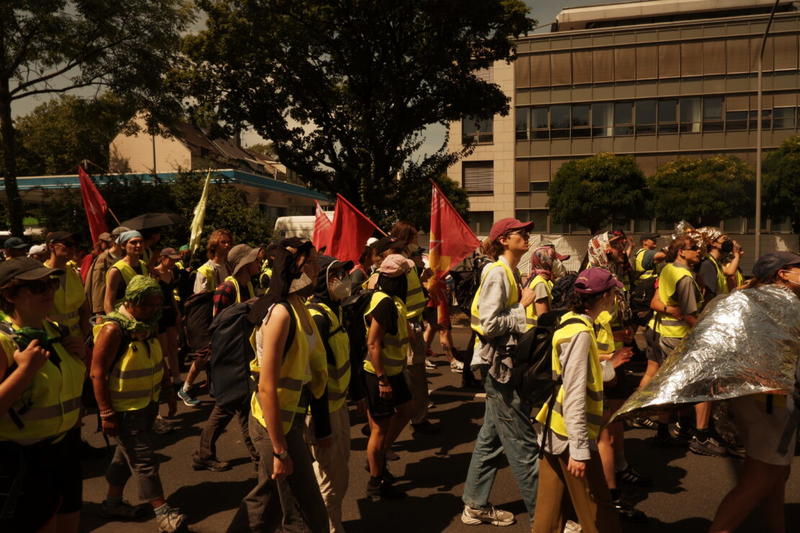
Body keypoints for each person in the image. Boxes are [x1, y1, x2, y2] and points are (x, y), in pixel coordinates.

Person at [233, 238, 328, 532]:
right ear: (295, 268)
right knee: (307, 515)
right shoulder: (280, 313)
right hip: (275, 426)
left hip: (289, 419)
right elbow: (266, 388)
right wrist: (280, 449)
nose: (317, 267)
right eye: (310, 261)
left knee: (266, 504)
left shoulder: (297, 304)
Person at [708, 252, 800, 533]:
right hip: (772, 400)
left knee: (776, 473)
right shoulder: (782, 304)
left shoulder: (752, 298)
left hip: (753, 397)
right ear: (782, 273)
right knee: (760, 477)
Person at [90, 275, 186, 532]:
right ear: (133, 301)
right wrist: (106, 412)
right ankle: (163, 513)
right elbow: (97, 373)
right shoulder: (113, 330)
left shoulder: (147, 324)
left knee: (124, 457)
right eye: (149, 305)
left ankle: (112, 502)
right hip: (124, 410)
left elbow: (160, 358)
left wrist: (167, 390)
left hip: (147, 403)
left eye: (158, 305)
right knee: (144, 460)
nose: (154, 310)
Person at [461, 218, 539, 527]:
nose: (527, 235)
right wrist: (521, 307)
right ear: (504, 240)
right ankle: (547, 518)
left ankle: (475, 506)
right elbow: (489, 324)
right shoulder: (497, 273)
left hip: (501, 365)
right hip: (499, 367)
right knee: (523, 446)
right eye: (521, 232)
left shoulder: (508, 271)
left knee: (491, 439)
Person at [533, 268, 623, 533]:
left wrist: (609, 369)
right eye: (613, 292)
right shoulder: (581, 334)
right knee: (599, 510)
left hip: (554, 429)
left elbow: (580, 374)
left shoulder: (572, 320)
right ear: (605, 296)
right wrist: (579, 450)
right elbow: (574, 392)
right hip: (569, 436)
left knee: (548, 516)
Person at [0, 258, 86, 533]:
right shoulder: (3, 341)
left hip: (65, 451)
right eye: (37, 287)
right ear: (10, 295)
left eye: (51, 283)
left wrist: (80, 358)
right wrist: (23, 372)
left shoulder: (56, 332)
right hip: (22, 463)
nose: (49, 291)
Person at [652, 235, 730, 456]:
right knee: (703, 386)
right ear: (681, 252)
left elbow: (658, 300)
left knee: (673, 385)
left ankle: (665, 432)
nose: (699, 251)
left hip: (666, 335)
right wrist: (711, 334)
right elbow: (689, 315)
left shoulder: (668, 269)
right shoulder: (685, 278)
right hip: (682, 337)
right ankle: (701, 437)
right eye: (694, 248)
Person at [192, 244, 262, 472]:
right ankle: (206, 455)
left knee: (243, 409)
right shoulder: (227, 288)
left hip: (242, 357)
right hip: (230, 360)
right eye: (255, 260)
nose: (259, 263)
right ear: (244, 263)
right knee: (226, 408)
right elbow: (217, 326)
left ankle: (258, 458)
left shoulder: (247, 284)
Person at [306, 255, 358, 532]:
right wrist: (323, 427)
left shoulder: (333, 310)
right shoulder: (317, 317)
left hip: (338, 406)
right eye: (335, 274)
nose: (343, 279)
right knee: (329, 478)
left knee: (339, 474)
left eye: (343, 273)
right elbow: (315, 378)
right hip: (323, 411)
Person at [363, 254, 415, 501]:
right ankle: (376, 480)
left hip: (393, 372)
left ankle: (378, 458)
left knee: (405, 410)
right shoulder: (383, 303)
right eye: (406, 275)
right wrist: (382, 379)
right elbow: (373, 344)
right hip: (380, 374)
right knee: (379, 429)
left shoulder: (392, 301)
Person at [388, 222, 436, 435]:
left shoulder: (405, 263)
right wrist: (407, 324)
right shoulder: (401, 263)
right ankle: (416, 418)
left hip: (411, 322)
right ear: (406, 240)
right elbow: (396, 296)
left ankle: (410, 415)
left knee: (412, 374)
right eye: (415, 238)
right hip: (409, 325)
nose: (418, 242)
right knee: (415, 376)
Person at [180, 229, 233, 406]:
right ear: (215, 245)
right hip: (208, 319)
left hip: (224, 317)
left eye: (228, 242)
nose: (227, 245)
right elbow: (198, 302)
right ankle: (185, 388)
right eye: (223, 242)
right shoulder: (205, 270)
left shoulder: (228, 266)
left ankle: (216, 388)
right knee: (203, 356)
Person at [153, 248, 182, 422]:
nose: (172, 262)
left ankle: (177, 379)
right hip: (159, 314)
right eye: (170, 259)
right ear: (163, 258)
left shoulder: (170, 273)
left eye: (174, 259)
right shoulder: (154, 273)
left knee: (174, 346)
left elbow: (170, 295)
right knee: (162, 351)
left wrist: (177, 312)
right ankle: (164, 382)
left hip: (170, 312)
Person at [44, 232, 91, 341]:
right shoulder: (41, 276)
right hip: (54, 340)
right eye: (68, 244)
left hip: (78, 338)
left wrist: (85, 337)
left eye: (74, 245)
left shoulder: (75, 273)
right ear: (52, 246)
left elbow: (84, 309)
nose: (73, 248)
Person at [84, 226, 129, 321]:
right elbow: (98, 287)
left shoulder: (125, 257)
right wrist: (99, 315)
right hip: (109, 309)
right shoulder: (104, 258)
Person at [103, 230, 147, 314]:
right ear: (123, 245)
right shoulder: (116, 270)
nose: (139, 245)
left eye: (141, 242)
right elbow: (108, 302)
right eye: (133, 242)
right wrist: (114, 321)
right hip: (124, 318)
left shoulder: (143, 265)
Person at [212, 244, 261, 317]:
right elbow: (217, 323)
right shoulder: (225, 289)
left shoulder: (248, 286)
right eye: (256, 260)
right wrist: (244, 307)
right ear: (246, 264)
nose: (259, 263)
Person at [697, 227, 743, 302]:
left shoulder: (716, 262)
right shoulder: (708, 263)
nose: (728, 242)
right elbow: (708, 295)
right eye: (724, 239)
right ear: (713, 243)